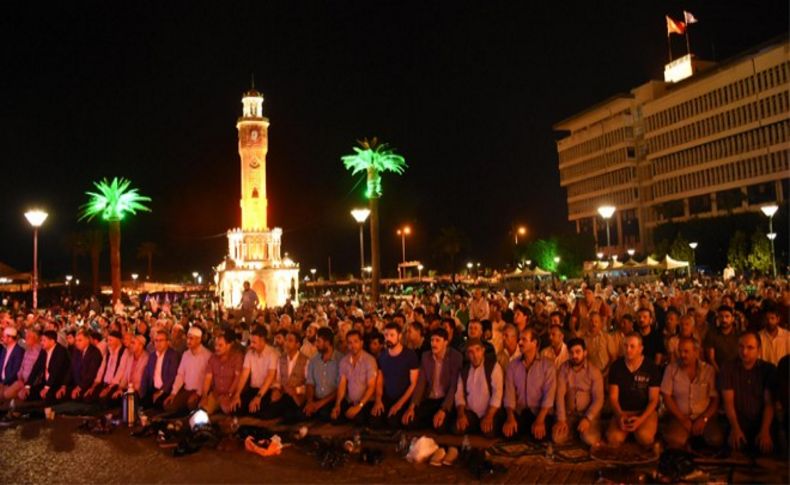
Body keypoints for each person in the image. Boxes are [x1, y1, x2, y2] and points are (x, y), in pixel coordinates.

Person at [661, 337, 723, 449]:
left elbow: (715, 399)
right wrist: (682, 418)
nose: (682, 355)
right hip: (680, 416)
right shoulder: (671, 369)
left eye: (686, 351)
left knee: (716, 439)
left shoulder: (708, 370)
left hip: (703, 416)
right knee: (676, 441)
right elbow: (666, 396)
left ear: (696, 352)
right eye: (680, 351)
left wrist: (704, 419)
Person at [720, 332, 776, 454]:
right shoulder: (728, 368)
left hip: (761, 421)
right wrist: (735, 428)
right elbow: (728, 403)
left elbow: (769, 403)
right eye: (741, 346)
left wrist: (765, 430)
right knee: (734, 445)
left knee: (766, 449)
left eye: (750, 348)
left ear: (759, 350)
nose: (744, 352)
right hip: (738, 420)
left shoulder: (768, 370)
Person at [402, 328, 463, 433]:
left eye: (437, 340)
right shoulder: (426, 356)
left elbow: (454, 387)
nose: (433, 344)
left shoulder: (455, 357)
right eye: (432, 340)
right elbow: (421, 383)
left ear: (446, 342)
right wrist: (412, 406)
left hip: (446, 400)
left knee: (439, 426)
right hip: (430, 399)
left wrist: (443, 410)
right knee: (409, 422)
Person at [606, 332, 661, 448]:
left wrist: (641, 419)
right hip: (623, 410)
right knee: (613, 438)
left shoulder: (651, 367)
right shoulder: (616, 366)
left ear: (640, 349)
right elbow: (613, 397)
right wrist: (620, 415)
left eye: (632, 346)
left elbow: (654, 399)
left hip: (644, 411)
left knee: (645, 438)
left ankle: (640, 432)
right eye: (625, 346)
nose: (628, 350)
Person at [502, 328, 557, 441]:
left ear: (534, 343)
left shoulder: (547, 366)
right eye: (519, 339)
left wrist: (540, 420)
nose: (520, 343)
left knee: (541, 437)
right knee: (508, 434)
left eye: (524, 340)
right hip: (520, 412)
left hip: (540, 412)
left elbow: (549, 396)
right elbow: (509, 395)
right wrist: (510, 417)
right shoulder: (513, 366)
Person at [553, 338, 604, 446]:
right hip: (569, 415)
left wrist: (587, 418)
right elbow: (560, 394)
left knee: (590, 440)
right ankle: (575, 431)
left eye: (578, 352)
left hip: (588, 415)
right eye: (571, 353)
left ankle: (585, 432)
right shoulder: (563, 368)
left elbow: (599, 399)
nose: (574, 356)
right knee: (557, 438)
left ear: (585, 353)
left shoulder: (594, 371)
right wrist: (561, 419)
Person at [371, 322, 419, 429]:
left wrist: (400, 404)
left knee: (394, 422)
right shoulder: (382, 356)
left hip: (404, 398)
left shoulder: (410, 355)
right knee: (374, 420)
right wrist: (378, 400)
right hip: (388, 397)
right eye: (386, 335)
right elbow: (380, 380)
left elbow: (413, 383)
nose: (388, 338)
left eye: (392, 335)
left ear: (399, 336)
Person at [454, 338, 503, 438]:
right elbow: (459, 395)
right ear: (467, 354)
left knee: (489, 432)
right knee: (457, 428)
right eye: (471, 352)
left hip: (490, 412)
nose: (475, 355)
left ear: (483, 350)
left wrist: (489, 416)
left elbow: (497, 393)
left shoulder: (493, 366)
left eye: (477, 350)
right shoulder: (464, 370)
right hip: (471, 413)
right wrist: (461, 415)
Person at [331, 330, 377, 425]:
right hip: (350, 401)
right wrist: (338, 404)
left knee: (359, 420)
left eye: (356, 341)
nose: (353, 345)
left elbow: (371, 387)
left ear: (361, 343)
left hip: (365, 402)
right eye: (350, 343)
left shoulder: (369, 360)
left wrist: (359, 406)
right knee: (334, 418)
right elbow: (342, 384)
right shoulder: (344, 361)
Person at [164, 326, 212, 413]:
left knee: (192, 404)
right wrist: (173, 393)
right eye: (188, 338)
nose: (188, 341)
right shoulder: (186, 354)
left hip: (199, 391)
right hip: (186, 390)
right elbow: (180, 375)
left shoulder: (207, 355)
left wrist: (198, 393)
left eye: (191, 338)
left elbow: (207, 379)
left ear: (198, 340)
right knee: (168, 405)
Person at [264, 331, 308, 422]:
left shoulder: (306, 360)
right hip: (284, 394)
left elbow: (309, 384)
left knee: (289, 417)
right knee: (267, 414)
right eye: (286, 340)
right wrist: (276, 389)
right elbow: (278, 379)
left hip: (298, 397)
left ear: (298, 344)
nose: (286, 343)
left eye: (290, 341)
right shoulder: (281, 359)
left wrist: (296, 390)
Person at [234, 326, 278, 416]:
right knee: (236, 409)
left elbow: (270, 377)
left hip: (266, 391)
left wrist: (258, 397)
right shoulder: (250, 353)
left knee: (258, 412)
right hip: (253, 389)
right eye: (250, 342)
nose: (251, 345)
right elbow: (244, 374)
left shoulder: (272, 354)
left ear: (262, 340)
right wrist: (237, 394)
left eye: (254, 342)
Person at [21, 330, 70, 404]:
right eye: (41, 340)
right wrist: (28, 386)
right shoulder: (43, 350)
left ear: (52, 341)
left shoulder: (60, 351)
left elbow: (55, 372)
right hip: (46, 383)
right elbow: (36, 368)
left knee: (47, 397)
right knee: (26, 394)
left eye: (44, 340)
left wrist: (47, 388)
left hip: (57, 384)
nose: (41, 343)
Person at [200, 330, 243, 415]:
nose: (216, 348)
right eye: (216, 345)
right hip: (216, 394)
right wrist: (204, 396)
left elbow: (237, 378)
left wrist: (229, 395)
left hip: (230, 395)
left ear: (229, 345)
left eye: (220, 345)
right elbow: (208, 378)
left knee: (230, 411)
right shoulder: (213, 358)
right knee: (201, 411)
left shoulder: (237, 357)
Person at [304, 327, 342, 421]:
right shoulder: (313, 360)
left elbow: (340, 389)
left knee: (323, 415)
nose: (316, 344)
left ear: (328, 342)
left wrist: (320, 404)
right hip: (316, 399)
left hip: (332, 400)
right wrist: (310, 402)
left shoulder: (340, 360)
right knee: (302, 414)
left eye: (318, 341)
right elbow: (310, 383)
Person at [83, 330, 126, 404]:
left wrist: (108, 389)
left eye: (111, 340)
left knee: (104, 400)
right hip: (104, 383)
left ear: (118, 341)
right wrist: (93, 386)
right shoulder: (108, 352)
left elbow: (120, 371)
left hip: (114, 384)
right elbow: (101, 370)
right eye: (107, 340)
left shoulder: (123, 353)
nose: (108, 343)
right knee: (88, 397)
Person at [140, 330, 180, 408]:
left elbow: (172, 376)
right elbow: (146, 374)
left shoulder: (172, 355)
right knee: (141, 403)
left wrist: (161, 391)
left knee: (158, 404)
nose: (158, 343)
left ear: (167, 342)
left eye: (161, 340)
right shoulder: (152, 356)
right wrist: (142, 391)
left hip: (165, 390)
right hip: (153, 388)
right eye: (156, 340)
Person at [2, 328, 41, 403]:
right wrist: (20, 377)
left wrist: (28, 384)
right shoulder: (27, 350)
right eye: (26, 337)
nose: (25, 339)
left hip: (31, 383)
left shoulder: (39, 352)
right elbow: (21, 366)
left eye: (28, 337)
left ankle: (16, 408)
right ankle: (13, 406)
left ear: (34, 338)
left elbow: (38, 372)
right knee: (6, 394)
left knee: (20, 395)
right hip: (21, 380)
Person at [67, 329, 103, 401]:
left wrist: (79, 387)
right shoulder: (76, 351)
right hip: (77, 383)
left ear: (87, 340)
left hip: (88, 384)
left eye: (80, 340)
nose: (77, 343)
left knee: (83, 397)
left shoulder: (94, 352)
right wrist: (64, 385)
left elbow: (91, 374)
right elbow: (71, 369)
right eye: (76, 340)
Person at [704, 305, 740, 374]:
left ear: (732, 318)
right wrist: (720, 373)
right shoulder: (712, 334)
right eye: (721, 316)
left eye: (727, 316)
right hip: (717, 371)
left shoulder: (739, 335)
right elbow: (711, 358)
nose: (724, 320)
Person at [113, 335, 149, 400]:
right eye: (131, 343)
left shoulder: (146, 358)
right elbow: (125, 375)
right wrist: (120, 388)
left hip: (138, 390)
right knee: (114, 396)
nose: (131, 345)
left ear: (141, 345)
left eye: (133, 343)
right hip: (129, 388)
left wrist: (129, 390)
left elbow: (143, 379)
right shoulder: (130, 358)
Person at [0, 327, 25, 398]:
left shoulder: (19, 351)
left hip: (10, 382)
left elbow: (16, 371)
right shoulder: (5, 349)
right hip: (2, 381)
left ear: (10, 338)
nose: (2, 338)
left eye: (4, 337)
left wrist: (4, 382)